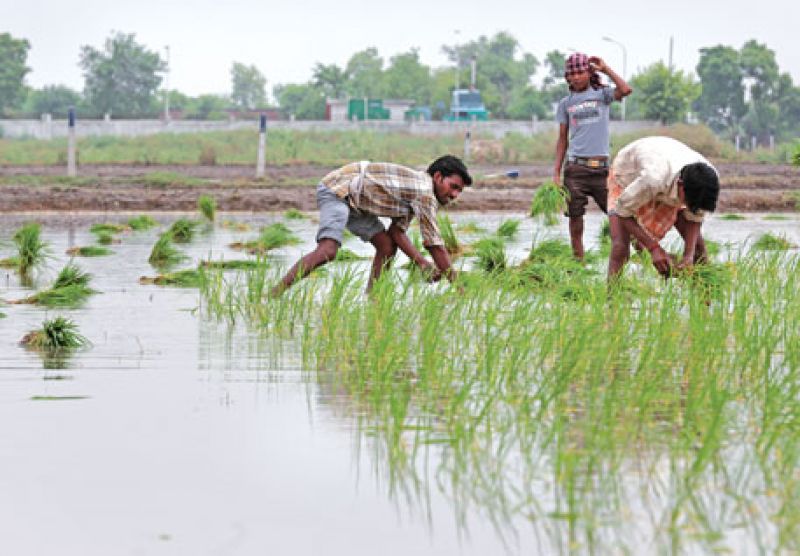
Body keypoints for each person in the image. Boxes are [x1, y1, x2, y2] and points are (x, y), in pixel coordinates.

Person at [271, 155, 472, 296]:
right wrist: (459, 287)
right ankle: (272, 296)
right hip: (338, 189)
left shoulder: (417, 194)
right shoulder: (424, 192)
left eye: (459, 191)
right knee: (328, 250)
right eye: (453, 187)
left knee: (386, 246)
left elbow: (396, 232)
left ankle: (373, 301)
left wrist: (421, 263)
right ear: (437, 177)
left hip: (358, 202)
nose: (455, 195)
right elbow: (434, 244)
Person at [553, 52, 632, 261]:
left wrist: (606, 69)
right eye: (572, 74)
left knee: (618, 213)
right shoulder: (566, 104)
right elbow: (562, 139)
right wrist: (555, 172)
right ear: (567, 78)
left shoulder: (602, 95)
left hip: (602, 170)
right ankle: (579, 262)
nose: (577, 77)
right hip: (575, 169)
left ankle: (629, 253)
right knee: (575, 218)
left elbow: (625, 90)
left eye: (580, 72)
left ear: (589, 73)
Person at [607, 136, 721, 280]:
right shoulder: (652, 179)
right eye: (687, 202)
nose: (687, 207)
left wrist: (688, 256)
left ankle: (705, 300)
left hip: (667, 169)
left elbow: (695, 217)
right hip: (629, 176)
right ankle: (612, 300)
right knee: (620, 247)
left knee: (699, 251)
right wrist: (654, 249)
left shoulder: (708, 183)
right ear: (680, 186)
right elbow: (622, 212)